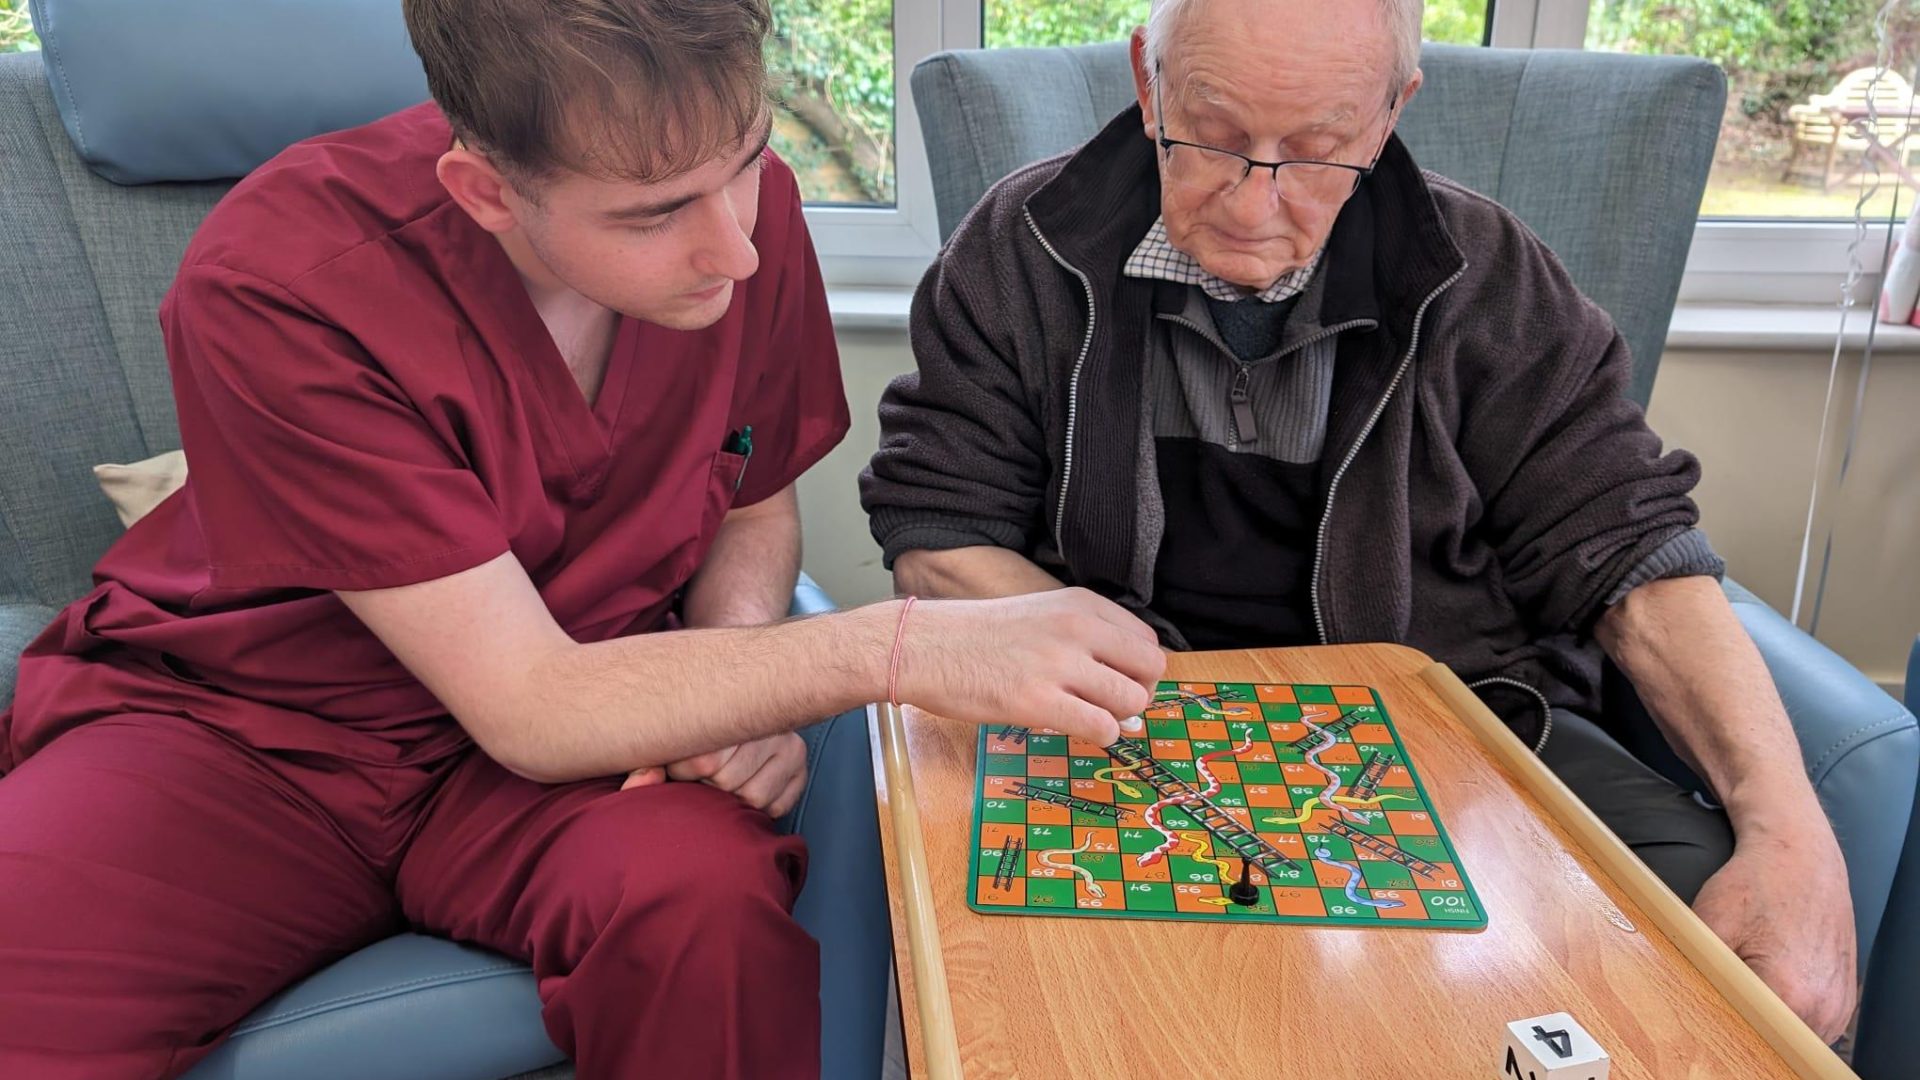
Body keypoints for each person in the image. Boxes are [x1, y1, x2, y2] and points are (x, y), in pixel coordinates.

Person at [0, 2, 1165, 1077]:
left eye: (749, 161)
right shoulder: (280, 285)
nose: (739, 250)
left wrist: (742, 677)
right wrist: (900, 648)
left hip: (597, 725)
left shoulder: (737, 220)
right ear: (485, 191)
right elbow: (529, 701)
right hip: (249, 738)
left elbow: (747, 492)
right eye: (655, 213)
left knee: (699, 905)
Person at [861, 0, 1856, 1041]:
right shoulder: (1023, 248)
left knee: (1702, 958)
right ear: (1149, 82)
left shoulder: (1487, 274)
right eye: (1216, 136)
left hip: (1456, 734)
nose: (1255, 201)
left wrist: (1789, 829)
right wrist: (1145, 696)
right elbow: (938, 528)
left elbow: (1635, 551)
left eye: (1316, 152)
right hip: (1125, 729)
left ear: (1389, 118)